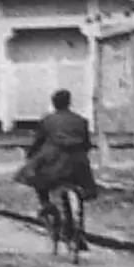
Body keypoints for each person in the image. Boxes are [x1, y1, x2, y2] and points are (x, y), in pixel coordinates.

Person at [18, 88, 97, 250]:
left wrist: (31, 154)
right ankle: (79, 232)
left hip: (55, 163)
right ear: (69, 102)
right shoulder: (81, 121)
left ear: (54, 103)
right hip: (77, 163)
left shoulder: (47, 121)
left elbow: (38, 142)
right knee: (82, 190)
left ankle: (45, 204)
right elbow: (87, 144)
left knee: (36, 177)